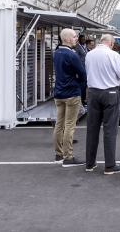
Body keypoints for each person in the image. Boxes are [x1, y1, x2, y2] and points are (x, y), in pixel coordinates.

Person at [84, 34, 120, 174]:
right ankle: (110, 165)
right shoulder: (113, 55)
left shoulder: (89, 54)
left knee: (92, 128)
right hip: (110, 92)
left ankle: (89, 163)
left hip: (93, 93)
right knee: (110, 129)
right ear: (111, 43)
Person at [52, 28, 86, 167]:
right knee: (70, 126)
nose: (76, 38)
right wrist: (78, 78)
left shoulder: (56, 53)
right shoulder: (72, 55)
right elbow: (82, 74)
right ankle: (68, 157)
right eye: (74, 37)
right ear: (67, 39)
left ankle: (58, 154)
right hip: (72, 93)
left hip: (59, 93)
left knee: (59, 124)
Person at [75, 34, 89, 106]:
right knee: (82, 86)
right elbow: (77, 57)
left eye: (84, 39)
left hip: (85, 68)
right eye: (82, 39)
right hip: (81, 68)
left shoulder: (85, 46)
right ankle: (81, 101)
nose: (84, 40)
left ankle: (83, 100)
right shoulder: (77, 47)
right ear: (79, 40)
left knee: (84, 85)